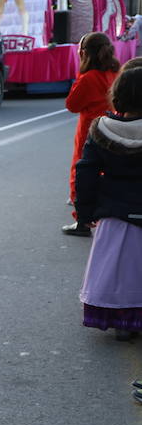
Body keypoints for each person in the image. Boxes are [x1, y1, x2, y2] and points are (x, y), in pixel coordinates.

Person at [77, 66, 142, 343]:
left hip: (114, 213)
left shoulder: (102, 129)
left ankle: (122, 322)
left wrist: (86, 211)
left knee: (117, 274)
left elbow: (86, 171)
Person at [63, 33, 122, 237]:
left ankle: (82, 220)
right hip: (114, 127)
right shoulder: (116, 72)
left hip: (90, 130)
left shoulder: (88, 78)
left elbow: (72, 104)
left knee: (81, 172)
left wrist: (79, 77)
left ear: (85, 54)